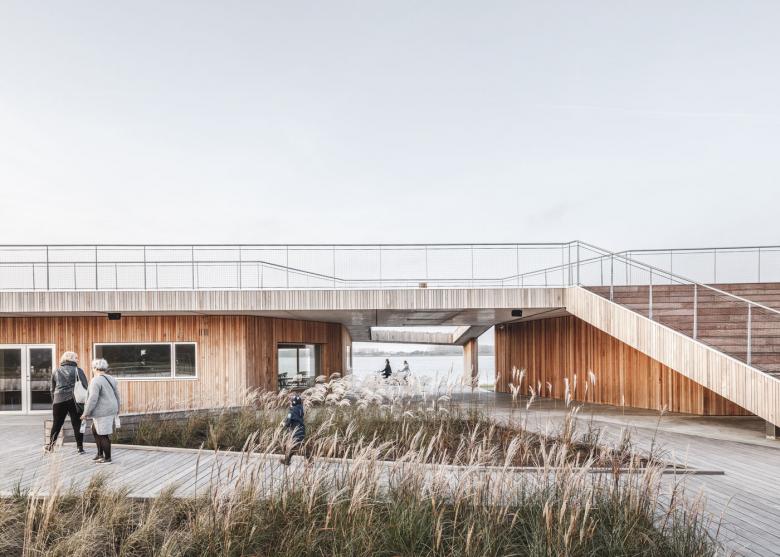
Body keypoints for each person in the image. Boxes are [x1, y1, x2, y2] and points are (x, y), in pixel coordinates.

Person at [46, 351, 89, 453]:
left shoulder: (56, 371)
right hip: (74, 400)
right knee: (77, 423)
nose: (78, 359)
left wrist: (54, 401)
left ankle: (50, 446)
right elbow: (85, 386)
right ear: (72, 359)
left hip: (58, 400)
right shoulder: (78, 370)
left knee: (56, 424)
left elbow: (52, 389)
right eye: (76, 358)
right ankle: (80, 448)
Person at [82, 358, 121, 464]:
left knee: (103, 434)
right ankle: (100, 454)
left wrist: (85, 413)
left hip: (103, 411)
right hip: (110, 409)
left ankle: (107, 458)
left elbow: (92, 398)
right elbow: (117, 395)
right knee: (95, 430)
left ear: (95, 368)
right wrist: (118, 408)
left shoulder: (96, 380)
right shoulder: (111, 378)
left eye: (92, 368)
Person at [280, 394, 305, 465]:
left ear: (294, 402)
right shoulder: (300, 409)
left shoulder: (292, 410)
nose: (290, 402)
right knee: (294, 446)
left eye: (291, 401)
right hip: (301, 430)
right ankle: (287, 460)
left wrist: (283, 424)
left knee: (297, 446)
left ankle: (310, 459)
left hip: (295, 431)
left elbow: (288, 422)